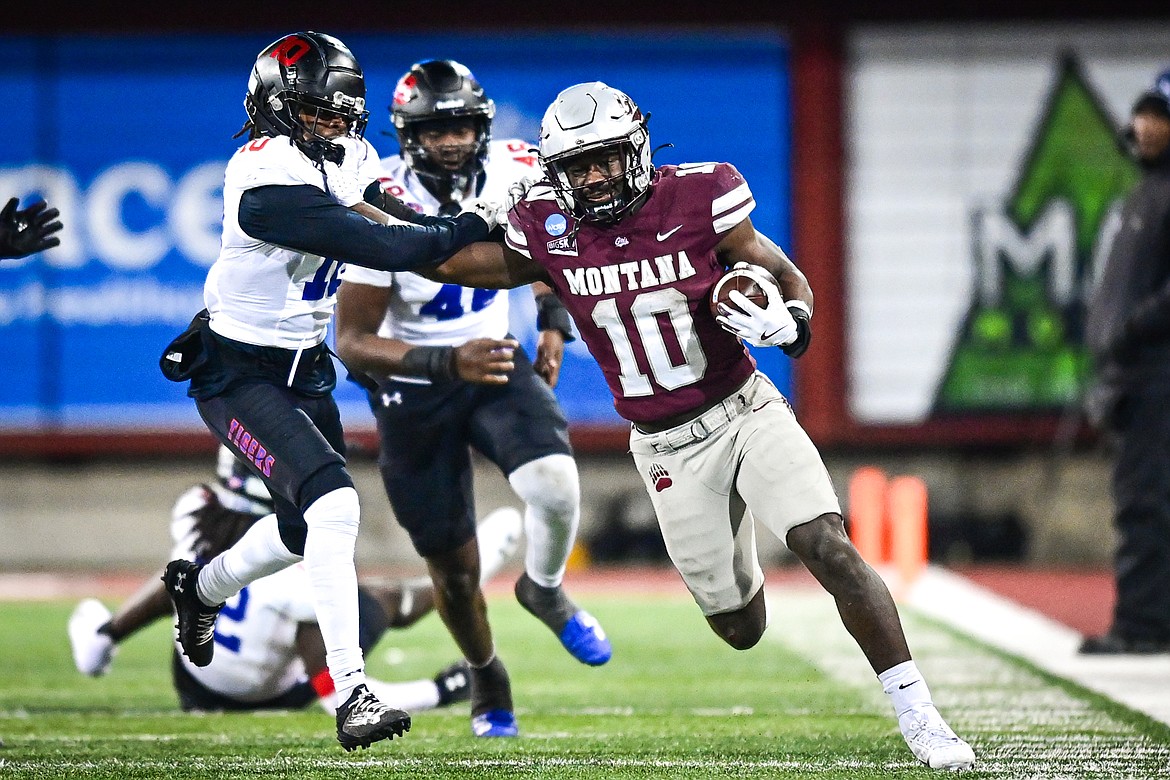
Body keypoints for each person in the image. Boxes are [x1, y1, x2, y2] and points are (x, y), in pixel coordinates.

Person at [378, 81, 975, 770]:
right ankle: (740, 537)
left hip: (744, 409)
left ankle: (919, 714)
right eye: (578, 167)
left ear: (637, 148)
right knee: (738, 628)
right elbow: (449, 262)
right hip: (664, 446)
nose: (595, 177)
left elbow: (785, 275)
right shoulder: (547, 226)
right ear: (556, 174)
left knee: (826, 544)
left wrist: (794, 322)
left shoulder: (701, 196)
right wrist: (380, 212)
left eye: (606, 159)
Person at [156, 31, 500, 751]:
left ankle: (202, 588)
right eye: (317, 112)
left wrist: (471, 226)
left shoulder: (349, 153)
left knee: (296, 528)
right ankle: (353, 693)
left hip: (303, 366)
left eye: (344, 113)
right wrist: (465, 225)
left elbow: (399, 217)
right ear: (276, 107)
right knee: (334, 506)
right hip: (237, 371)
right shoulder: (261, 173)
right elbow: (385, 247)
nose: (335, 127)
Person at [335, 59, 611, 739]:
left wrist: (552, 320)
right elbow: (354, 340)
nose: (454, 140)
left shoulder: (516, 170)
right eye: (438, 129)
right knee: (453, 573)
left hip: (489, 359)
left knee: (554, 480)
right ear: (407, 135)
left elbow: (551, 249)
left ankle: (543, 588)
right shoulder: (382, 199)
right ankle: (487, 673)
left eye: (464, 125)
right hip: (414, 381)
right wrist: (443, 361)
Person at [68, 446, 523, 715]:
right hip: (267, 694)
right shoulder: (293, 565)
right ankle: (464, 580)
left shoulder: (194, 506)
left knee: (187, 578)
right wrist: (443, 689)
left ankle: (107, 635)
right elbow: (335, 696)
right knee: (372, 597)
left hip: (190, 677)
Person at [1080, 68, 1170, 656]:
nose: (1144, 125)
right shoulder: (1147, 191)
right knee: (1143, 497)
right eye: (1143, 113)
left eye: (1158, 115)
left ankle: (1143, 625)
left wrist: (1131, 329)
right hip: (1136, 373)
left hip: (1158, 374)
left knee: (1146, 500)